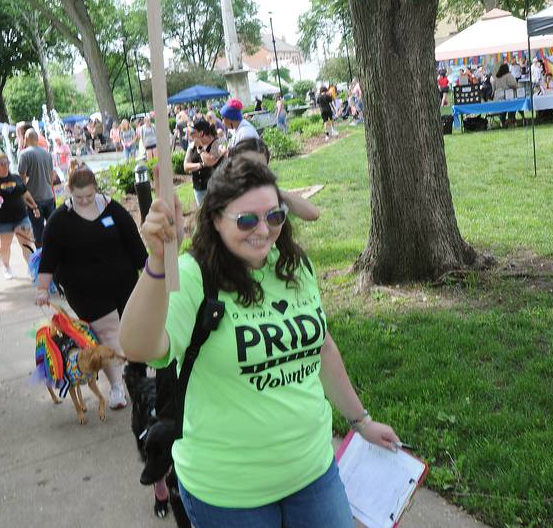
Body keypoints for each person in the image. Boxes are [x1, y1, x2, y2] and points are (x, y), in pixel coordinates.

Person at [119, 157, 399, 526]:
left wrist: (361, 421)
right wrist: (158, 262)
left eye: (275, 216)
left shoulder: (293, 266)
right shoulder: (192, 276)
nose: (264, 231)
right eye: (247, 220)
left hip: (313, 471)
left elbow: (323, 349)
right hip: (229, 494)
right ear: (216, 219)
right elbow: (138, 347)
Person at [35, 165, 148, 409]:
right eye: (79, 197)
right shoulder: (59, 221)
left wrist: (151, 272)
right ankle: (119, 386)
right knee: (108, 333)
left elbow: (134, 244)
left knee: (128, 331)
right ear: (69, 192)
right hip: (84, 289)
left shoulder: (112, 209)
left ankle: (135, 376)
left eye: (89, 195)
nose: (85, 201)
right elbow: (48, 259)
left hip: (124, 281)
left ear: (96, 189)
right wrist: (42, 289)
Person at [230, 138, 320, 221]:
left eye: (260, 168)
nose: (254, 173)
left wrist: (277, 192)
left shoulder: (269, 196)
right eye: (247, 166)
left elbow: (313, 214)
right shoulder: (225, 196)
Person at [0, 152, 39, 279]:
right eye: (2, 164)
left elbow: (25, 194)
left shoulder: (16, 178)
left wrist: (34, 206)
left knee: (26, 243)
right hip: (3, 220)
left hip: (21, 217)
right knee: (5, 246)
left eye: (7, 163)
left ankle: (32, 268)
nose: (6, 166)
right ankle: (6, 266)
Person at [17, 129, 56, 247]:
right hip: (49, 196)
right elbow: (51, 177)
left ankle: (41, 257)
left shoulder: (24, 154)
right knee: (53, 229)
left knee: (38, 232)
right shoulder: (47, 153)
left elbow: (21, 179)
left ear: (26, 139)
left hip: (34, 199)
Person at [184, 118, 226, 206]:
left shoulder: (217, 144)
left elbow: (209, 162)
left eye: (193, 133)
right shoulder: (192, 146)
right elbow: (186, 167)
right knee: (203, 217)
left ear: (201, 133)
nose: (191, 136)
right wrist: (200, 165)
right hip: (199, 189)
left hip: (216, 189)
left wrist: (200, 148)